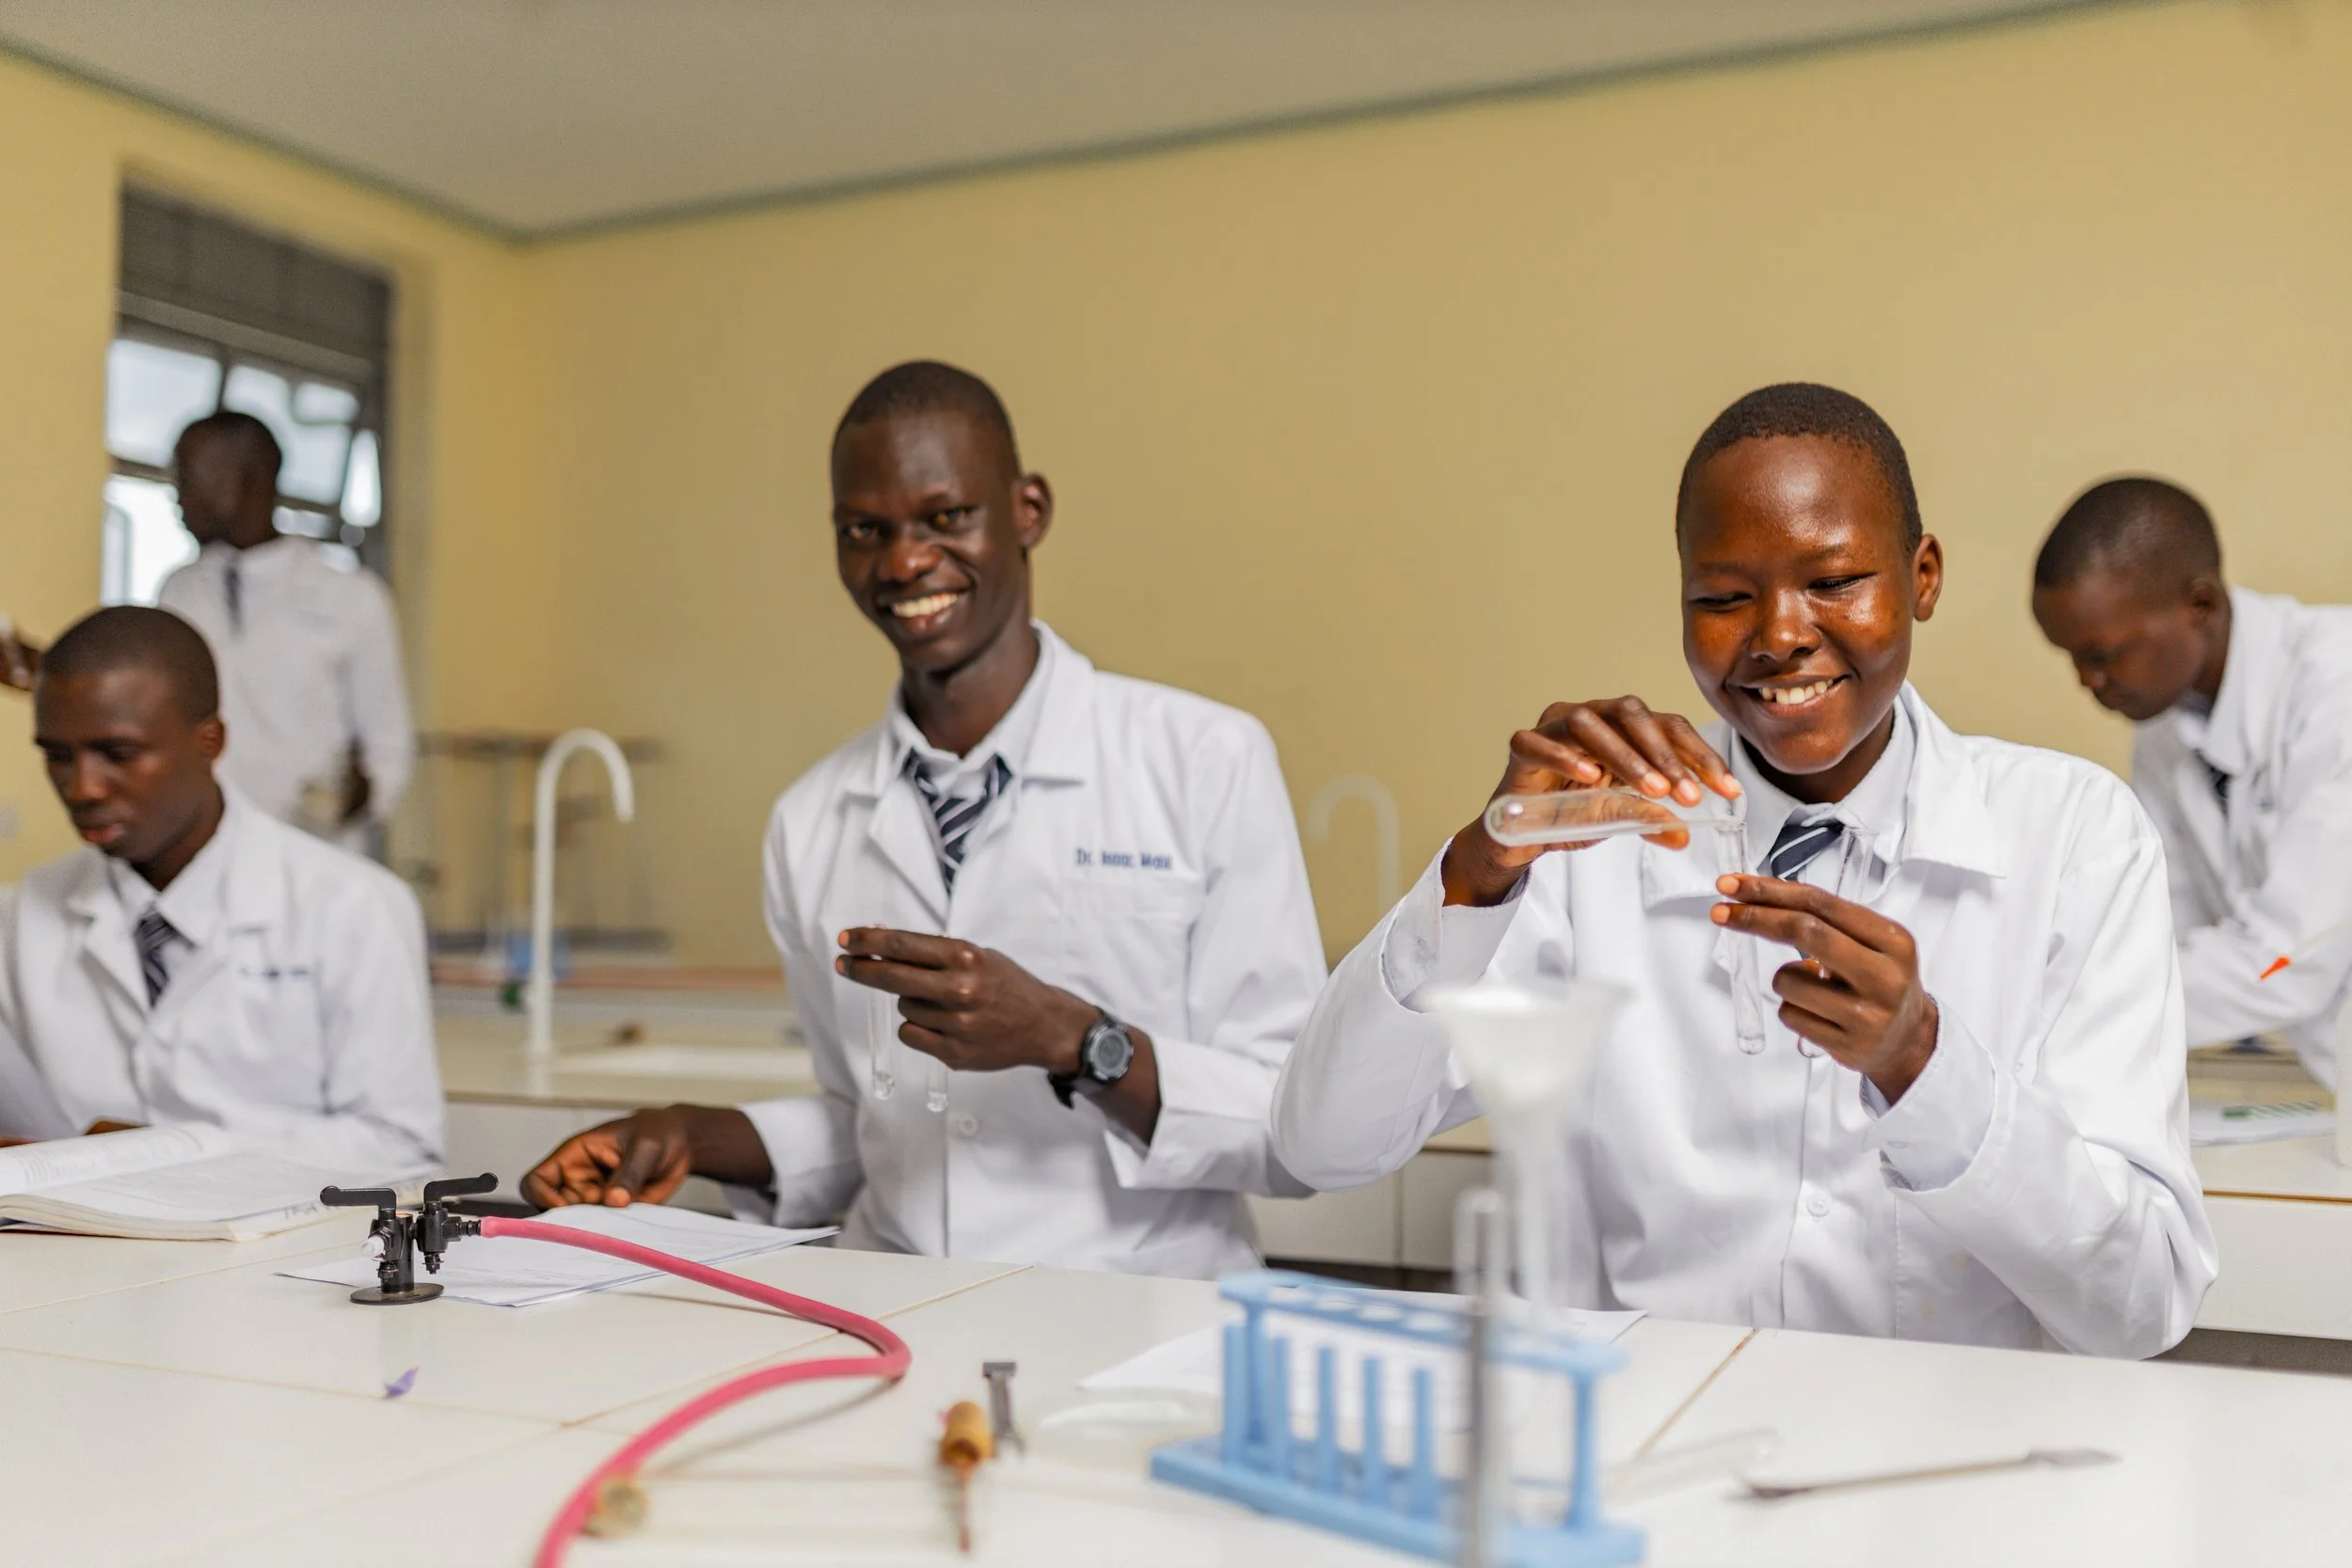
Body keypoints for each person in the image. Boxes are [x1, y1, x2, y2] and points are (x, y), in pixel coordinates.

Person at [1272, 383, 2214, 1356]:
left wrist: (1923, 1063)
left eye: (1835, 580)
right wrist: (1478, 869)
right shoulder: (1590, 839)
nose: (1777, 634)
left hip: (1940, 1467)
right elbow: (1322, 1143)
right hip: (1647, 1449)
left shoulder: (2073, 837)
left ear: (1922, 576)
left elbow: (2138, 1306)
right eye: (1723, 597)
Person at [522, 362, 1324, 1277]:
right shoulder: (810, 819)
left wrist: (1074, 1038)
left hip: (1137, 1311)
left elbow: (1289, 1121)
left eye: (946, 518)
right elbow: (879, 1117)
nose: (902, 562)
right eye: (866, 530)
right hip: (893, 1300)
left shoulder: (1203, 758)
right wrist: (691, 1133)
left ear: (1028, 510)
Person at [0, 606, 442, 1171]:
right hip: (83, 1249)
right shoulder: (32, 908)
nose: (82, 787)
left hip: (287, 1253)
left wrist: (169, 1151)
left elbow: (404, 1149)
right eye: (58, 756)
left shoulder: (351, 906)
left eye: (119, 754)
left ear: (210, 740)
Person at [2031, 479, 2352, 1087]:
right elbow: (2166, 935)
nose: (2085, 681)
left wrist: (2064, 1005)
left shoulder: (2339, 691)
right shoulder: (2164, 722)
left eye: (2101, 656)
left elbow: (2290, 962)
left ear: (2199, 605)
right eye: (2069, 656)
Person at [157, 410, 413, 847]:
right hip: (202, 851)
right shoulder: (179, 591)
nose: (178, 495)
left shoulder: (352, 598)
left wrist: (359, 792)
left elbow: (388, 747)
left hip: (313, 859)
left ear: (250, 479)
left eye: (190, 474)